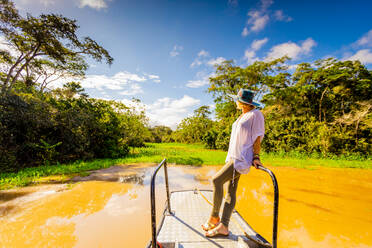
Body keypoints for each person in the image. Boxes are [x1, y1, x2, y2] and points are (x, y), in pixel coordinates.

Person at [202, 88, 265, 238]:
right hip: (233, 157)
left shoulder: (256, 114)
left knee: (216, 180)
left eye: (237, 99)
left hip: (241, 158)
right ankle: (224, 226)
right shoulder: (243, 116)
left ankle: (215, 217)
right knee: (231, 190)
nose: (235, 101)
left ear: (242, 102)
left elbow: (257, 137)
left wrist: (256, 156)